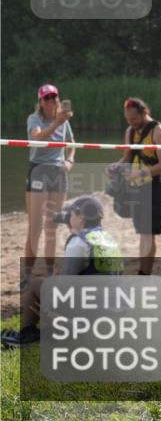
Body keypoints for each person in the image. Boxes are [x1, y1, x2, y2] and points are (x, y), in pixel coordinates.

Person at [2, 196, 122, 347]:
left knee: (36, 284)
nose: (68, 217)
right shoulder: (108, 238)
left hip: (90, 315)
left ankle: (28, 334)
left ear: (81, 217)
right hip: (112, 313)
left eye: (71, 214)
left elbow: (65, 286)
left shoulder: (78, 241)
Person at [22, 84, 75, 292]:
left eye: (54, 97)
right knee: (35, 227)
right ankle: (27, 275)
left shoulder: (64, 120)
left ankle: (51, 273)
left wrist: (70, 160)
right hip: (39, 171)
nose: (51, 101)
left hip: (58, 171)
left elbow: (72, 143)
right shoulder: (34, 119)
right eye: (47, 98)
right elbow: (38, 138)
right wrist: (57, 123)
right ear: (40, 102)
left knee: (52, 226)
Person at [116, 97, 161, 275]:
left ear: (144, 113)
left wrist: (140, 173)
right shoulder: (130, 131)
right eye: (128, 120)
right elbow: (126, 158)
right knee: (142, 232)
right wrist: (115, 168)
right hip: (136, 188)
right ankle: (143, 271)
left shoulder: (159, 132)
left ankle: (144, 274)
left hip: (154, 187)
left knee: (148, 233)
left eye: (134, 119)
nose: (132, 123)